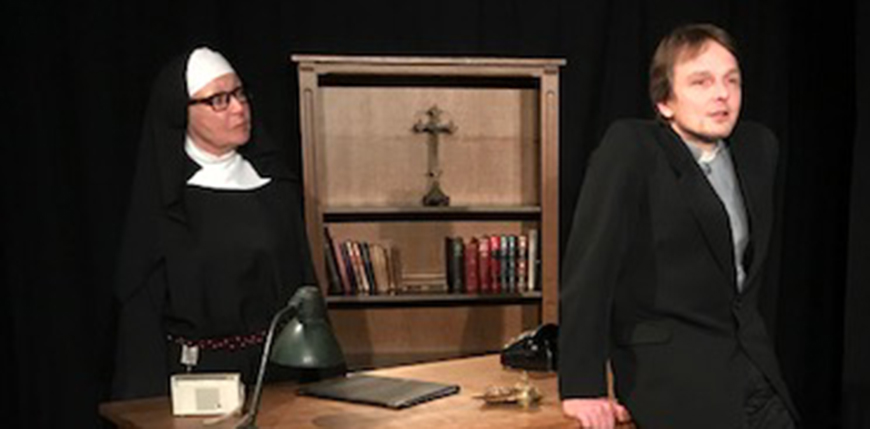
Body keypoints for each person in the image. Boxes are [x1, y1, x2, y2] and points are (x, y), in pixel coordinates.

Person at [558, 24, 800, 428]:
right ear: (665, 101)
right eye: (701, 82)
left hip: (752, 369)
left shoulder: (758, 149)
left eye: (731, 80)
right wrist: (582, 385)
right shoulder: (633, 149)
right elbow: (590, 270)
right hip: (671, 374)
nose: (722, 94)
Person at [111, 47, 318, 399]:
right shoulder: (165, 201)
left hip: (276, 375)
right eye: (219, 100)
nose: (239, 108)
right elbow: (141, 316)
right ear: (182, 110)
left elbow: (304, 289)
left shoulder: (275, 188)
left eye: (239, 94)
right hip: (196, 382)